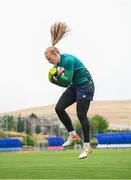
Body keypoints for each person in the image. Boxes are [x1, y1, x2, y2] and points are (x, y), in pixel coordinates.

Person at [44, 22, 95, 159]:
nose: (48, 61)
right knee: (59, 108)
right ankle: (72, 135)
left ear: (56, 53)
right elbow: (66, 83)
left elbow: (66, 81)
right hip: (75, 86)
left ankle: (87, 146)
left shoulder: (67, 61)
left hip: (85, 85)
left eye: (49, 58)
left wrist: (57, 78)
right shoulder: (58, 64)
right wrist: (55, 80)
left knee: (81, 115)